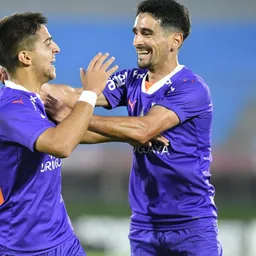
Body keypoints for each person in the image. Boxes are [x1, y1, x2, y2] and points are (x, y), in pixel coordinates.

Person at [0, 12, 119, 255]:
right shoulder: (11, 109)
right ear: (25, 57)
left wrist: (136, 134)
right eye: (47, 43)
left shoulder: (34, 100)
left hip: (62, 238)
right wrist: (90, 92)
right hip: (25, 247)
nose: (56, 48)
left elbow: (75, 133)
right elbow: (62, 144)